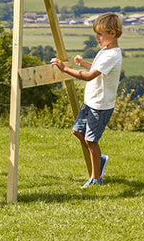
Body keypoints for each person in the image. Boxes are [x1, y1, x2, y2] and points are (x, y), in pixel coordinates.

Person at [51, 12, 123, 188]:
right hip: (91, 102)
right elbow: (97, 70)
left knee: (91, 140)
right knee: (77, 131)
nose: (96, 37)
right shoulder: (105, 51)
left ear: (112, 33)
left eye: (100, 34)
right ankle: (100, 159)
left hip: (100, 106)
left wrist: (64, 69)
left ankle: (96, 179)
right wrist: (84, 64)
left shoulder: (112, 55)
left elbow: (89, 76)